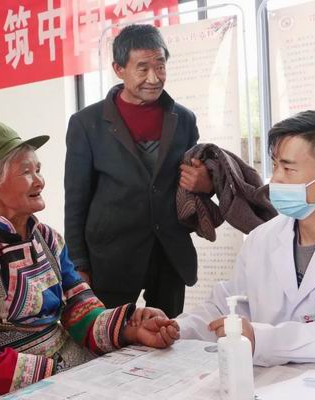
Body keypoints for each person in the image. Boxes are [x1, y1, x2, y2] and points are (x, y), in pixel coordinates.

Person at [0, 121, 180, 399]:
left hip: (63, 369)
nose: (39, 181)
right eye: (26, 172)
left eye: (38, 169)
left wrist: (132, 328)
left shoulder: (48, 239)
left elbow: (80, 312)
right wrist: (59, 375)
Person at [177, 110, 315, 366]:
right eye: (275, 165)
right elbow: (226, 307)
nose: (276, 178)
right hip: (277, 382)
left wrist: (261, 339)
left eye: (288, 168)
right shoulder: (263, 239)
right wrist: (176, 329)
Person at [64, 24, 212, 318]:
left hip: (169, 255)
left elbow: (191, 182)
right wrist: (78, 264)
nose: (154, 78)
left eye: (160, 66)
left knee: (167, 333)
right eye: (142, 68)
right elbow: (76, 199)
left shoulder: (183, 119)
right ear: (119, 69)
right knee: (110, 337)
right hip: (111, 259)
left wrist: (206, 183)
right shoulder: (86, 123)